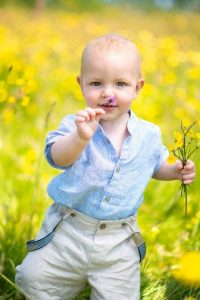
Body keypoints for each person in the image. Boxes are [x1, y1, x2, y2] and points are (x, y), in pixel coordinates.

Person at [15, 33, 195, 300]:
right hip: (68, 229)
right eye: (96, 83)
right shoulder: (75, 125)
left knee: (120, 294)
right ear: (81, 84)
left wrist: (174, 171)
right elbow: (56, 157)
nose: (107, 93)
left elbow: (154, 165)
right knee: (33, 279)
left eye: (120, 84)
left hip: (118, 239)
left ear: (137, 87)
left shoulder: (149, 134)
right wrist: (80, 138)